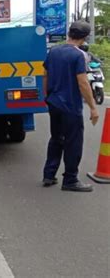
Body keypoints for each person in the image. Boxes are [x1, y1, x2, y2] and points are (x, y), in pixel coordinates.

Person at [42, 20, 99, 192]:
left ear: (69, 33)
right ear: (84, 37)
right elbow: (82, 82)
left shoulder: (54, 51)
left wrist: (48, 95)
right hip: (70, 105)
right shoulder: (78, 55)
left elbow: (45, 74)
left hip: (54, 102)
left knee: (56, 138)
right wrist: (93, 107)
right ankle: (71, 179)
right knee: (73, 141)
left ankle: (49, 175)